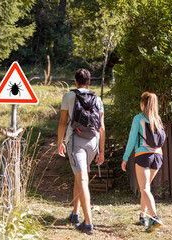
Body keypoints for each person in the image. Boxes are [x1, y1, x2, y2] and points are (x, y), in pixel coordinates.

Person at [57, 68, 105, 235]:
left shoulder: (69, 96)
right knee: (80, 176)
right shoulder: (97, 99)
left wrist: (60, 143)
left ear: (75, 81)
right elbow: (102, 127)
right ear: (89, 82)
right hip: (93, 142)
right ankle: (75, 214)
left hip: (75, 141)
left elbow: (63, 122)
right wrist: (102, 151)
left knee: (82, 178)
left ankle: (89, 224)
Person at [121, 91, 164, 233]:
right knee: (146, 188)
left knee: (144, 188)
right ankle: (142, 216)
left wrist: (125, 158)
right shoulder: (157, 119)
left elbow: (132, 140)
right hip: (158, 156)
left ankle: (154, 217)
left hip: (143, 156)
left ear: (142, 104)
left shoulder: (138, 118)